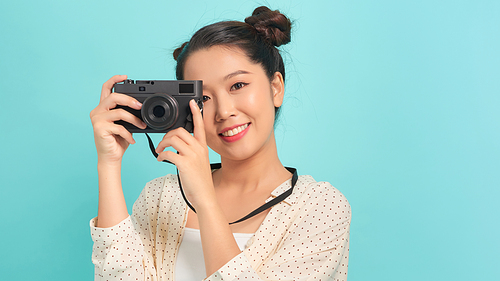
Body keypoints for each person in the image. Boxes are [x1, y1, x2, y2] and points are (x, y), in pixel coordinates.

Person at [89, 6, 351, 281]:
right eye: (204, 98)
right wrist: (108, 165)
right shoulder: (161, 197)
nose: (224, 111)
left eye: (238, 85)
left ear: (276, 88)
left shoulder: (319, 207)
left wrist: (204, 197)